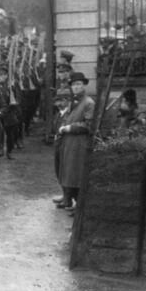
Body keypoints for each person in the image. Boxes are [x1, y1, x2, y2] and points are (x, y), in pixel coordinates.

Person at [57, 72, 94, 214]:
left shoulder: (88, 103)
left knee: (77, 174)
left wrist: (70, 127)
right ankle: (69, 199)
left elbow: (88, 125)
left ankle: (80, 207)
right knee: (67, 170)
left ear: (84, 85)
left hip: (79, 143)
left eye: (79, 84)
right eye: (74, 84)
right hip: (69, 142)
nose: (76, 87)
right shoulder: (75, 100)